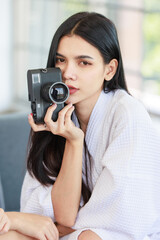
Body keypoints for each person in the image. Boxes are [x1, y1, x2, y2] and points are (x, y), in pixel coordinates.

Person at [0, 11, 160, 240]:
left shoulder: (128, 116)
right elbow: (63, 219)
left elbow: (117, 221)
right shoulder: (52, 113)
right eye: (61, 60)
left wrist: (20, 220)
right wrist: (74, 141)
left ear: (110, 69)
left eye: (83, 63)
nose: (67, 74)